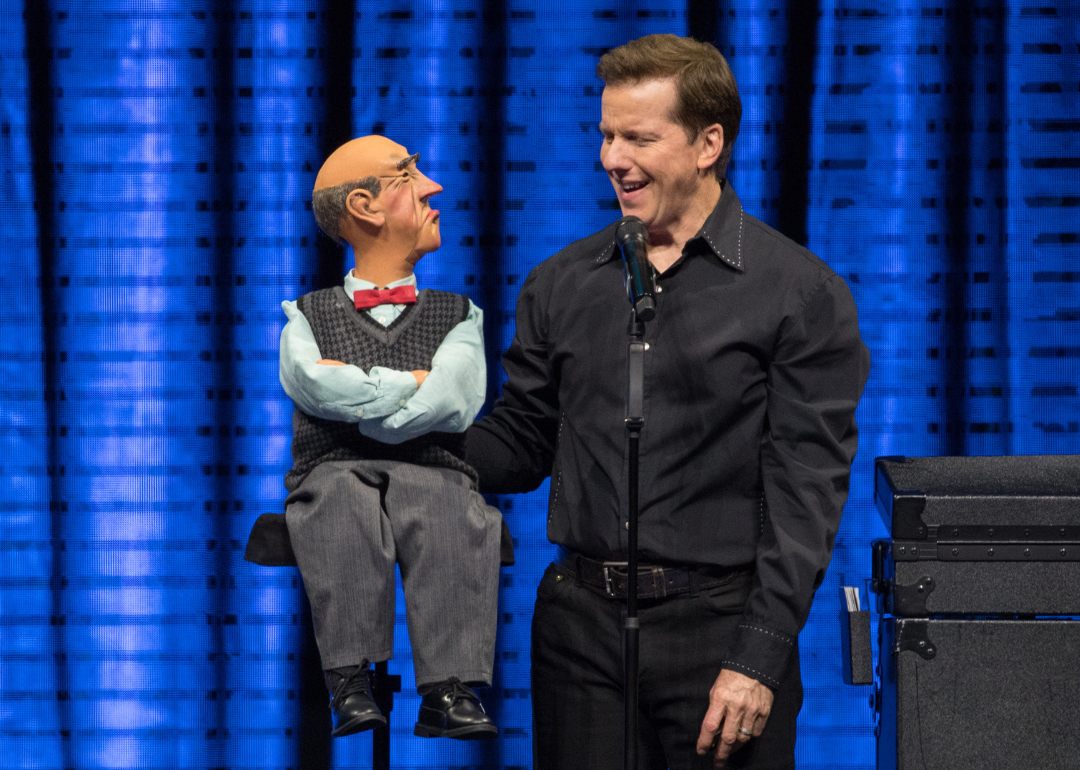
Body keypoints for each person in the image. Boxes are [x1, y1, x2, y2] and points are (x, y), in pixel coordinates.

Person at [465, 35, 870, 769]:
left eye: (638, 137)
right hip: (578, 632)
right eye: (606, 135)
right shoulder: (562, 282)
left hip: (718, 633)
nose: (611, 158)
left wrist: (759, 657)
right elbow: (523, 444)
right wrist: (408, 441)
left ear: (707, 142)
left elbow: (804, 498)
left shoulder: (797, 293)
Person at [278, 135, 503, 740]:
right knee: (337, 506)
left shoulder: (458, 314)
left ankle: (449, 688)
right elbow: (316, 384)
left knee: (452, 510)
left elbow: (451, 401)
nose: (432, 188)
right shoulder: (307, 315)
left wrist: (371, 402)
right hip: (331, 469)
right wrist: (410, 382)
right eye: (408, 174)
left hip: (434, 469)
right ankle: (349, 680)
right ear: (365, 206)